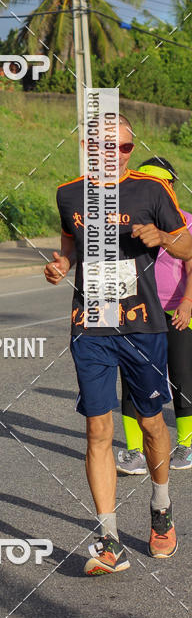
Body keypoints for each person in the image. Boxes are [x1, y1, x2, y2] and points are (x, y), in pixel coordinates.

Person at [44, 116, 192, 575]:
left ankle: (161, 506)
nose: (119, 155)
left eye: (126, 148)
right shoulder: (69, 194)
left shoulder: (151, 191)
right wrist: (61, 266)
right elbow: (70, 245)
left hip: (143, 326)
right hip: (91, 324)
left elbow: (188, 245)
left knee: (151, 426)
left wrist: (165, 237)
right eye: (109, 148)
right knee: (97, 429)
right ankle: (109, 539)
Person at [116, 157, 192, 474]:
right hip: (138, 312)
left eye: (160, 183)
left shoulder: (186, 221)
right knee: (134, 381)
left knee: (182, 377)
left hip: (177, 309)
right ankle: (135, 452)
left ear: (171, 187)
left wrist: (187, 303)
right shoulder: (128, 220)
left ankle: (186, 445)